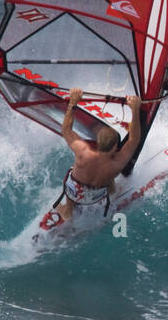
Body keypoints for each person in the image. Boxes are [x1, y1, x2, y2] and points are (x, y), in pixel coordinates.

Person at [51, 88, 142, 225]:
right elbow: (134, 139)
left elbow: (66, 130)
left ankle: (68, 210)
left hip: (75, 193)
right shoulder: (118, 162)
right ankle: (113, 191)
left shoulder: (84, 152)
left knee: (72, 174)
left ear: (98, 143)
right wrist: (135, 109)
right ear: (115, 147)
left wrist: (73, 102)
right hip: (96, 196)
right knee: (109, 176)